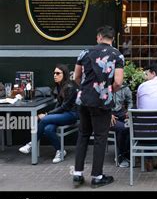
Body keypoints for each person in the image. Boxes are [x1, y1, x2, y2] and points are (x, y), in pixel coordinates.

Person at [73, 25, 124, 189]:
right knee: (101, 138)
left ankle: (77, 174)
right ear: (112, 39)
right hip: (102, 101)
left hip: (83, 100)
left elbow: (76, 76)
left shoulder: (85, 52)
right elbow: (118, 82)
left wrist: (86, 89)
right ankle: (97, 176)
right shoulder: (117, 54)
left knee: (83, 135)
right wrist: (107, 91)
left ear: (99, 37)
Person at [19, 64, 78, 163]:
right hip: (61, 115)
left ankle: (31, 144)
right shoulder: (59, 87)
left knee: (44, 119)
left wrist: (47, 114)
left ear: (64, 74)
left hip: (71, 114)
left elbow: (64, 107)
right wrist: (51, 115)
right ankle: (60, 151)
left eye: (58, 73)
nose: (55, 75)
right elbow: (59, 105)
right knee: (48, 129)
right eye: (54, 73)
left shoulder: (70, 87)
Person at [110, 84, 133, 168]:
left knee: (130, 125)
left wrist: (129, 111)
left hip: (121, 113)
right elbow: (99, 102)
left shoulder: (124, 87)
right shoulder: (105, 87)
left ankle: (128, 154)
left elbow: (130, 101)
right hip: (107, 116)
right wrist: (108, 114)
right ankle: (121, 156)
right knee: (122, 128)